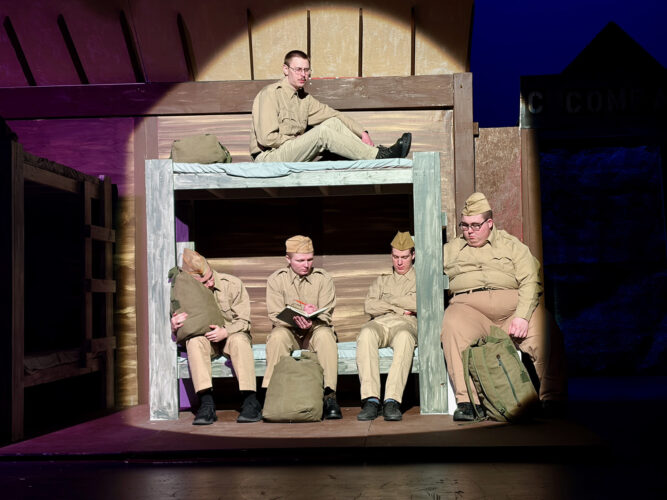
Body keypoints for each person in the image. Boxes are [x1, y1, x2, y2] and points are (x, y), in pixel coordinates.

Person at [440, 192, 567, 421]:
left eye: (476, 225)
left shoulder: (512, 245)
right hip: (469, 310)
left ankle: (552, 399)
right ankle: (468, 403)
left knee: (547, 329)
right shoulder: (450, 250)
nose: (469, 231)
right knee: (451, 324)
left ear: (489, 223)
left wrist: (523, 316)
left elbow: (531, 280)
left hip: (513, 310)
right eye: (465, 225)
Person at [249, 49, 412, 163]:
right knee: (322, 133)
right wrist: (296, 140)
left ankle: (376, 153)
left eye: (306, 70)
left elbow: (334, 115)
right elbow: (266, 138)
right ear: (286, 69)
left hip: (292, 152)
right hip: (269, 157)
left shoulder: (304, 99)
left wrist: (363, 132)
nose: (303, 75)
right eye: (298, 69)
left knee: (333, 123)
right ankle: (379, 156)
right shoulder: (270, 94)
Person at [170, 248, 262, 425]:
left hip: (230, 336)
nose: (210, 283)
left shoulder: (232, 284)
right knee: (194, 342)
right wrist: (174, 326)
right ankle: (206, 404)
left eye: (210, 277)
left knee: (240, 340)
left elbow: (244, 321)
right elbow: (179, 327)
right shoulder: (182, 292)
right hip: (206, 340)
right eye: (203, 283)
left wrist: (225, 331)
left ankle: (250, 400)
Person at [262, 235, 342, 419]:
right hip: (289, 331)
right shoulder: (276, 279)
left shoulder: (323, 278)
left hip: (314, 330)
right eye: (300, 260)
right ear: (288, 259)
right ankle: (271, 394)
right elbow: (275, 314)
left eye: (309, 259)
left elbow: (327, 313)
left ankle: (329, 396)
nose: (306, 265)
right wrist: (298, 316)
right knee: (277, 337)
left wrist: (313, 316)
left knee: (326, 335)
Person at [356, 231, 417, 422]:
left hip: (406, 324)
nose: (399, 262)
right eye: (395, 257)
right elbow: (369, 306)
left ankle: (392, 401)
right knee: (366, 333)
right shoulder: (382, 279)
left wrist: (387, 302)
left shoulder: (420, 278)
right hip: (380, 323)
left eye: (404, 257)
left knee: (405, 338)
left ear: (413, 255)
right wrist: (399, 307)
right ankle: (371, 400)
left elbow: (419, 303)